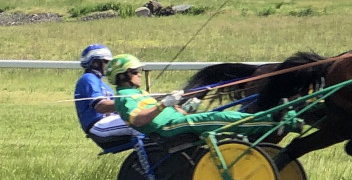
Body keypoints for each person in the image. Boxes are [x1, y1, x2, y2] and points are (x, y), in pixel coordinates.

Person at [106, 54, 295, 140]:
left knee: (220, 116)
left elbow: (163, 112)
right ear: (122, 75)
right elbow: (139, 120)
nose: (139, 74)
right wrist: (163, 104)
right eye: (135, 71)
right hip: (168, 129)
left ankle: (269, 122)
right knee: (219, 118)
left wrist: (185, 108)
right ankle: (273, 122)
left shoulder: (138, 93)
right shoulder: (123, 98)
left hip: (178, 120)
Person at [74, 44, 142, 150]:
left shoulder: (103, 84)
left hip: (108, 122)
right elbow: (101, 106)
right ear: (95, 63)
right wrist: (127, 102)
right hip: (98, 125)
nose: (110, 66)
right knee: (140, 123)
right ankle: (146, 162)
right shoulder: (88, 78)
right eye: (106, 62)